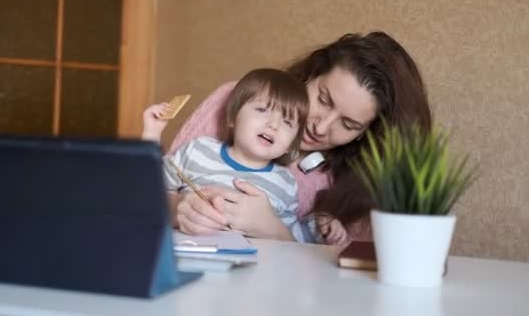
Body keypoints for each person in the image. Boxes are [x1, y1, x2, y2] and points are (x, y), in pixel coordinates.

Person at [166, 31, 432, 245]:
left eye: (348, 124)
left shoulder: (347, 184)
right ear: (310, 74)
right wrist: (181, 208)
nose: (321, 126)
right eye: (323, 99)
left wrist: (275, 230)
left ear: (366, 134)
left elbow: (339, 279)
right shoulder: (236, 100)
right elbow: (147, 192)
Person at [143, 68, 315, 242]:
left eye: (287, 121)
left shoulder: (286, 183)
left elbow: (290, 240)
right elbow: (150, 187)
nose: (274, 125)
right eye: (263, 110)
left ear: (290, 145)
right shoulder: (198, 150)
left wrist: (317, 227)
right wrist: (151, 135)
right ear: (232, 117)